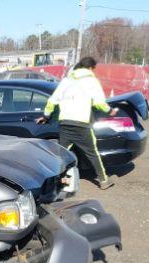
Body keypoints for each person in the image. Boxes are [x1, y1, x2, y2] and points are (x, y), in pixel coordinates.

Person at [36, 57, 118, 190]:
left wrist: (46, 115)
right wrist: (110, 111)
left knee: (61, 155)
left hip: (65, 123)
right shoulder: (92, 81)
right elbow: (99, 102)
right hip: (82, 124)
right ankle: (103, 180)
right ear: (91, 68)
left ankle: (56, 182)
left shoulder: (67, 81)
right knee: (92, 153)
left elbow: (53, 100)